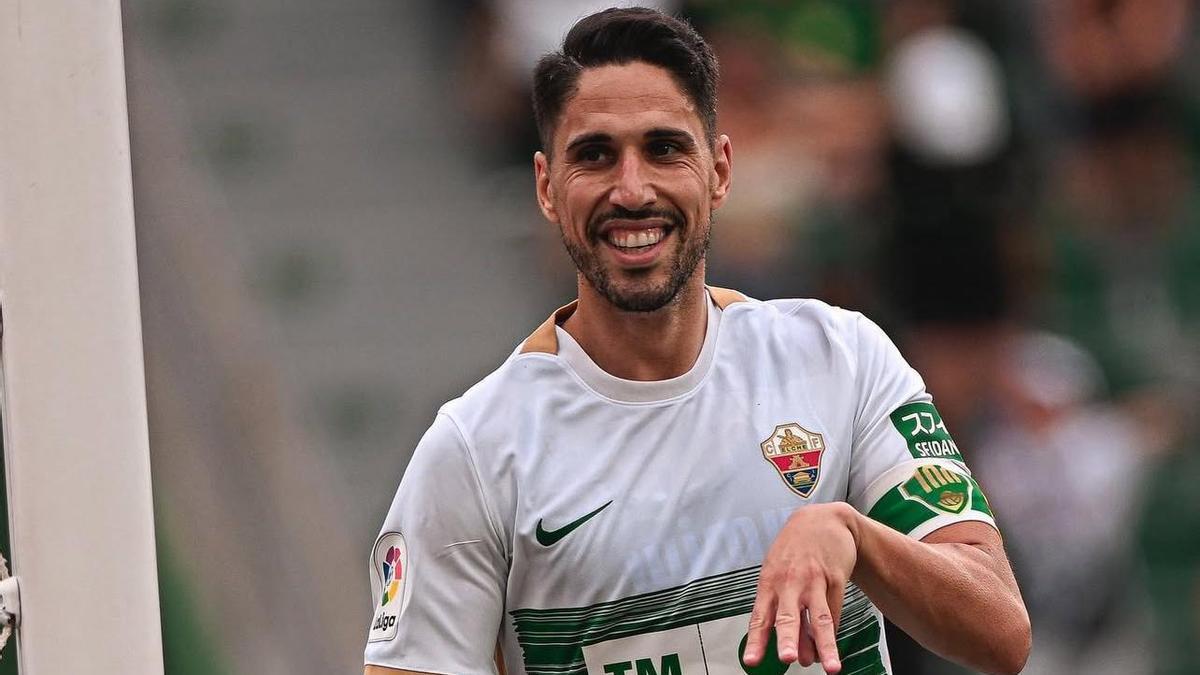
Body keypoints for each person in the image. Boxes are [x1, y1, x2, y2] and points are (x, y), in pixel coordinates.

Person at [364, 7, 1030, 675]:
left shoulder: (841, 358)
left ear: (718, 170)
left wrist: (856, 536)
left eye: (664, 148)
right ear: (546, 186)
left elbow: (1000, 630)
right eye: (595, 154)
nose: (632, 189)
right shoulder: (475, 452)